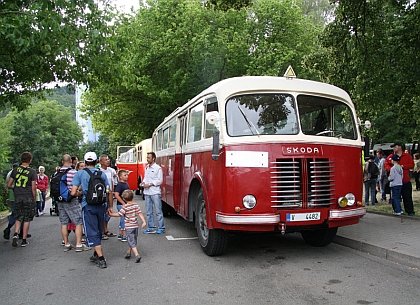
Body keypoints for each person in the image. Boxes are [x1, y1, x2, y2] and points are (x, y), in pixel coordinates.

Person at [71, 152, 112, 268]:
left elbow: (73, 192)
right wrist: (109, 206)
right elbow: (108, 190)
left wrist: (81, 193)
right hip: (101, 205)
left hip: (88, 205)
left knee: (91, 231)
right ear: (96, 162)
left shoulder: (80, 174)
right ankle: (95, 253)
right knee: (99, 230)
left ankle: (101, 258)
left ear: (84, 162)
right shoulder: (102, 174)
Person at [56, 154, 91, 252]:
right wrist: (79, 193)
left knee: (64, 223)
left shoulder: (56, 173)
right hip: (72, 199)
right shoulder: (73, 172)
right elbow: (79, 186)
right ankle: (79, 244)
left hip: (60, 200)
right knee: (78, 222)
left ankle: (66, 243)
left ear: (62, 162)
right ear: (71, 161)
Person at [7, 152, 37, 247]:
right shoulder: (32, 172)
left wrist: (15, 188)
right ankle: (23, 239)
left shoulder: (15, 170)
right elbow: (33, 187)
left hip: (18, 197)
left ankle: (15, 234)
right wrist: (34, 198)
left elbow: (9, 184)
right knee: (27, 218)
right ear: (30, 160)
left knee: (18, 217)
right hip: (28, 196)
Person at [108, 190, 146, 263]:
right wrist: (144, 221)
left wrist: (111, 214)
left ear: (124, 199)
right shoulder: (136, 205)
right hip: (135, 225)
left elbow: (119, 214)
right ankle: (128, 252)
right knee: (133, 239)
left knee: (131, 240)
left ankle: (136, 254)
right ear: (133, 197)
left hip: (128, 226)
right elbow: (140, 213)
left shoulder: (125, 207)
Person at [384, 142, 415, 216]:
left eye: (395, 146)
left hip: (405, 180)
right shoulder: (391, 156)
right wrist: (391, 169)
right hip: (395, 181)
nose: (394, 148)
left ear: (400, 147)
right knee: (395, 197)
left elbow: (412, 165)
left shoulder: (407, 156)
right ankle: (397, 210)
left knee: (407, 197)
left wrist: (403, 166)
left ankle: (410, 211)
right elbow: (386, 164)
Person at [141, 152, 165, 234]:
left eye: (149, 157)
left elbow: (160, 180)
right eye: (147, 157)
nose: (147, 159)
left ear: (153, 159)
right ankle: (151, 227)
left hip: (155, 192)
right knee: (148, 211)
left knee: (158, 211)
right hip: (147, 192)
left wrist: (150, 184)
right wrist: (143, 183)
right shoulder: (147, 167)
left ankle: (161, 227)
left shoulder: (158, 168)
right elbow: (145, 178)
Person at [3, 163, 26, 240]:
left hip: (12, 197)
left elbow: (8, 184)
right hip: (20, 195)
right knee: (22, 214)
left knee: (14, 214)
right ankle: (21, 232)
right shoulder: (19, 173)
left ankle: (8, 228)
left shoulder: (9, 173)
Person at [98, 154, 118, 239]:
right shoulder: (98, 171)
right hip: (101, 194)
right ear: (101, 162)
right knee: (101, 213)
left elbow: (112, 182)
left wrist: (112, 193)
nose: (108, 161)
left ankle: (106, 230)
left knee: (108, 212)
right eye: (106, 160)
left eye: (108, 159)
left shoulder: (111, 170)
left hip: (109, 193)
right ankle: (101, 231)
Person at [114, 170, 130, 241]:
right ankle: (124, 234)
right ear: (120, 177)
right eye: (125, 175)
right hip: (121, 205)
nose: (127, 176)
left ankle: (120, 234)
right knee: (124, 219)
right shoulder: (119, 185)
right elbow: (116, 195)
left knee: (122, 219)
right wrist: (123, 203)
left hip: (125, 204)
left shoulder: (126, 184)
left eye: (127, 175)